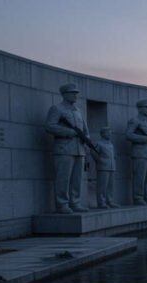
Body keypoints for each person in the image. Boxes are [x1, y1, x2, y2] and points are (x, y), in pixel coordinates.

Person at [44, 83, 90, 213]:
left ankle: (75, 202)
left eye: (76, 93)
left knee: (77, 179)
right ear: (64, 94)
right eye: (73, 93)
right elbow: (49, 126)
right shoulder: (57, 109)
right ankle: (62, 204)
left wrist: (86, 139)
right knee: (63, 178)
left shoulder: (79, 111)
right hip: (64, 149)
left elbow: (85, 131)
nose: (75, 95)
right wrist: (70, 132)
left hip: (79, 149)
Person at [126, 99, 147, 205]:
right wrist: (143, 139)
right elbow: (128, 135)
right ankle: (138, 197)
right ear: (140, 108)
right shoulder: (135, 120)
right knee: (140, 177)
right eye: (146, 107)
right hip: (140, 153)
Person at [92, 126, 118, 209]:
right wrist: (100, 160)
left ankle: (110, 201)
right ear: (102, 134)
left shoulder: (111, 144)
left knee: (110, 186)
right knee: (102, 186)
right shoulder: (99, 143)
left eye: (110, 133)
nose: (110, 134)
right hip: (103, 167)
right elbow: (93, 152)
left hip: (111, 167)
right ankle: (101, 202)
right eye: (108, 132)